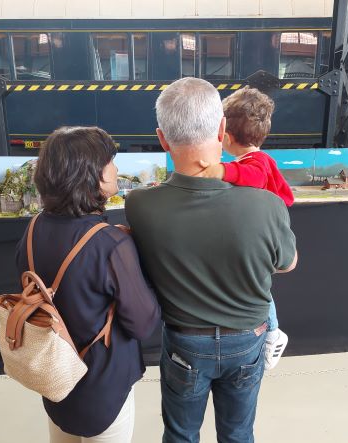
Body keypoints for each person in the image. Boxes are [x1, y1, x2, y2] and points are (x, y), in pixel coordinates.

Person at [125, 78, 297, 443]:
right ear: (221, 129)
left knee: (180, 434)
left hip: (185, 341)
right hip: (248, 339)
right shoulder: (268, 204)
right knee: (238, 433)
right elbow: (287, 263)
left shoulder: (139, 204)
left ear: (162, 139)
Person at [16, 126, 161, 443]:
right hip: (102, 388)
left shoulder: (34, 228)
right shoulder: (110, 245)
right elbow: (143, 323)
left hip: (56, 380)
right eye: (111, 162)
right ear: (92, 174)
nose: (116, 169)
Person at [196, 86, 294, 370]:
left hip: (264, 232)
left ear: (225, 137)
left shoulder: (257, 162)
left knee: (259, 286)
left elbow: (252, 178)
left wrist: (219, 170)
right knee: (256, 284)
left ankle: (273, 332)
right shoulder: (254, 160)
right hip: (262, 228)